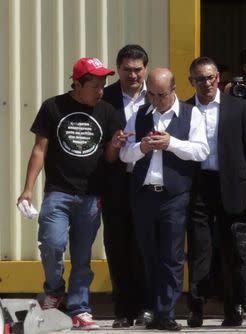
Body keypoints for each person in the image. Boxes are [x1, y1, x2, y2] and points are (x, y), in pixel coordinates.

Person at [17, 57, 125, 330]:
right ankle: (54, 290)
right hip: (58, 192)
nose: (101, 91)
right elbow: (39, 149)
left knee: (81, 256)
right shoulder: (53, 107)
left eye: (104, 85)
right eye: (96, 85)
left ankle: (79, 308)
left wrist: (114, 145)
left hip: (91, 196)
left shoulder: (108, 112)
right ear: (77, 84)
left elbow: (111, 158)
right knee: (52, 245)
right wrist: (27, 189)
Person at [119, 68, 209, 331]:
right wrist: (141, 148)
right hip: (144, 196)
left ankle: (165, 314)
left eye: (161, 95)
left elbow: (201, 150)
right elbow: (125, 154)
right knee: (149, 255)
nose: (156, 101)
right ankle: (152, 307)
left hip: (174, 196)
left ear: (174, 90)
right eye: (152, 95)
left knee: (171, 256)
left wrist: (171, 143)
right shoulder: (139, 115)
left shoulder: (191, 115)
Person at [185, 56, 246, 327]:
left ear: (219, 78)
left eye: (211, 77)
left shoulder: (237, 108)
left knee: (232, 251)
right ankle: (196, 308)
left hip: (232, 186)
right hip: (197, 185)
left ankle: (233, 307)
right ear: (192, 81)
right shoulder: (184, 109)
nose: (207, 83)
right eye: (200, 79)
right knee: (200, 251)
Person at [100, 44, 151, 328]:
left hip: (147, 181)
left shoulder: (156, 96)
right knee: (117, 246)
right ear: (118, 69)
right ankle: (122, 310)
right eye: (127, 70)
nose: (133, 75)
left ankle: (145, 306)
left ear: (145, 69)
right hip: (115, 182)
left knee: (144, 246)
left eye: (138, 69)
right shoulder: (104, 98)